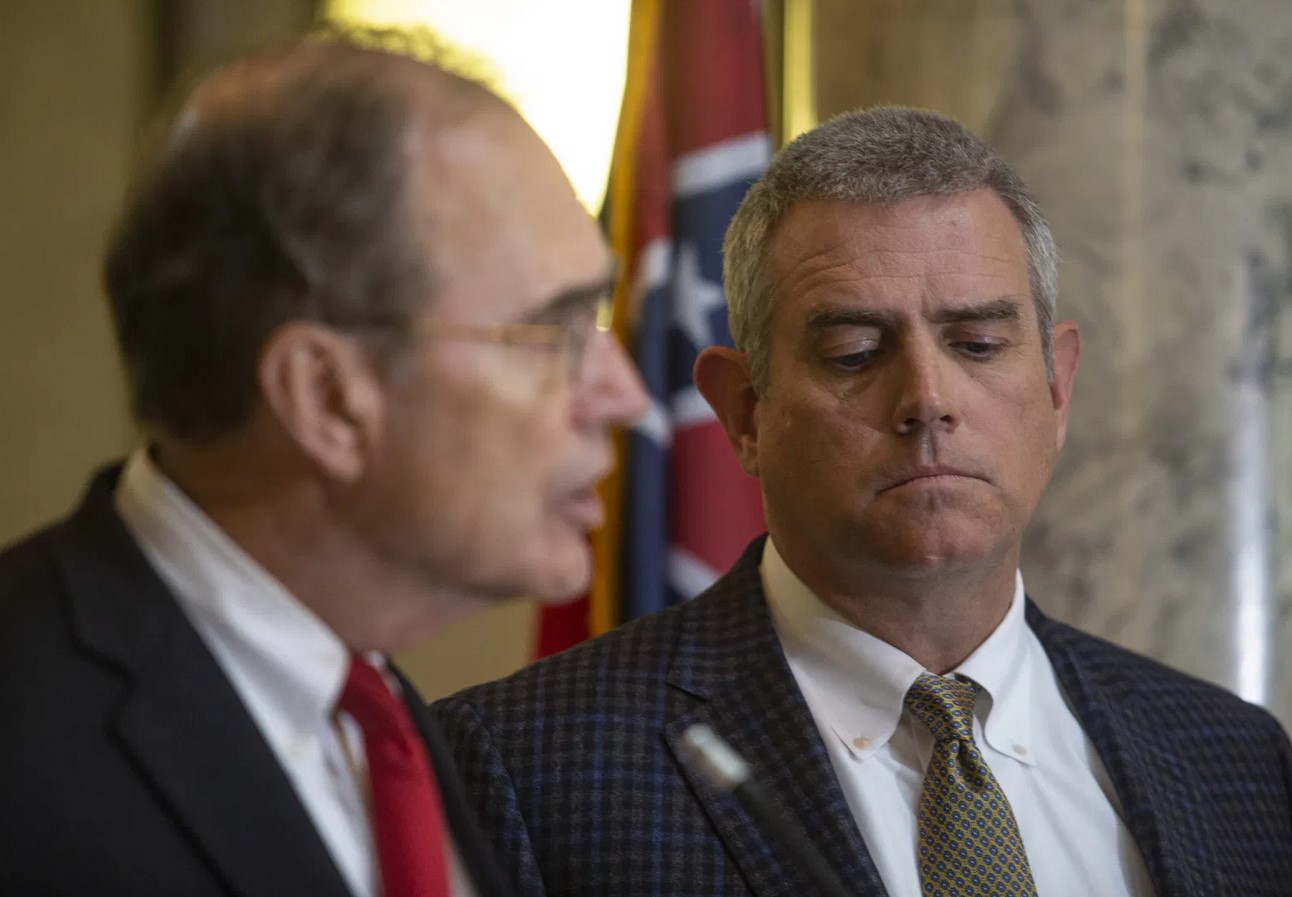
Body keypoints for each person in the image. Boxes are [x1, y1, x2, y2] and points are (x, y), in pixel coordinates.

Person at [434, 106, 1292, 897]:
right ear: (745, 413)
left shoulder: (1236, 759)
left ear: (1058, 386)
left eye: (978, 343)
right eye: (853, 353)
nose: (927, 398)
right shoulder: (520, 766)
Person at [0, 32, 646, 897]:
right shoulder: (25, 736)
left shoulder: (381, 713)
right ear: (326, 397)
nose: (624, 393)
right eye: (552, 332)